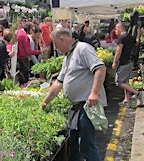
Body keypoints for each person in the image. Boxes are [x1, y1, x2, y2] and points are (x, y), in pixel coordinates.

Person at [40, 27, 107, 161]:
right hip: (76, 106)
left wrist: (94, 93)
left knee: (87, 144)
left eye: (56, 44)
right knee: (75, 144)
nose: (56, 48)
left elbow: (100, 68)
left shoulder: (83, 49)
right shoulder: (68, 56)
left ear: (62, 39)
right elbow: (59, 82)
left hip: (87, 105)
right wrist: (45, 102)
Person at [112, 22, 144, 107]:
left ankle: (138, 93)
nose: (115, 31)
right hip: (130, 61)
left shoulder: (121, 38)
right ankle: (127, 99)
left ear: (120, 28)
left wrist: (115, 62)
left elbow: (119, 50)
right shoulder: (130, 36)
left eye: (116, 29)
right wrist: (138, 32)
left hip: (124, 62)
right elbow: (137, 42)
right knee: (126, 81)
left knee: (118, 82)